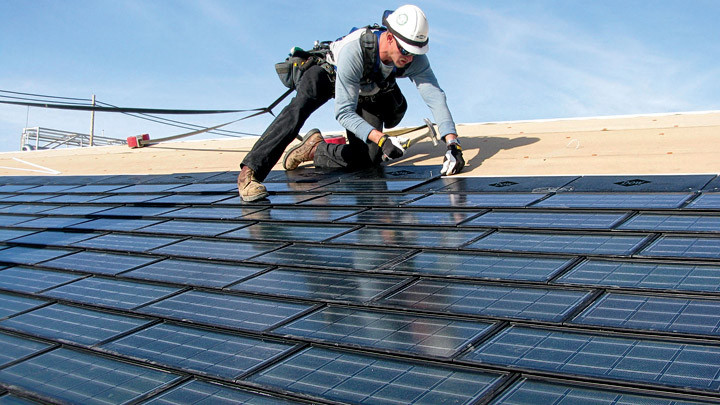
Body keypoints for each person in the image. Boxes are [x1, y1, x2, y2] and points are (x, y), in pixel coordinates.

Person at [238, 4, 464, 202]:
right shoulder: (355, 50)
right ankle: (250, 174)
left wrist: (453, 144)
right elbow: (343, 112)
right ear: (389, 36)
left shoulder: (413, 58)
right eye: (405, 50)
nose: (409, 58)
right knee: (298, 109)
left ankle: (314, 149)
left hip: (366, 87)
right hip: (329, 75)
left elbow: (434, 95)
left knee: (368, 160)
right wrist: (381, 138)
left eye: (415, 52)